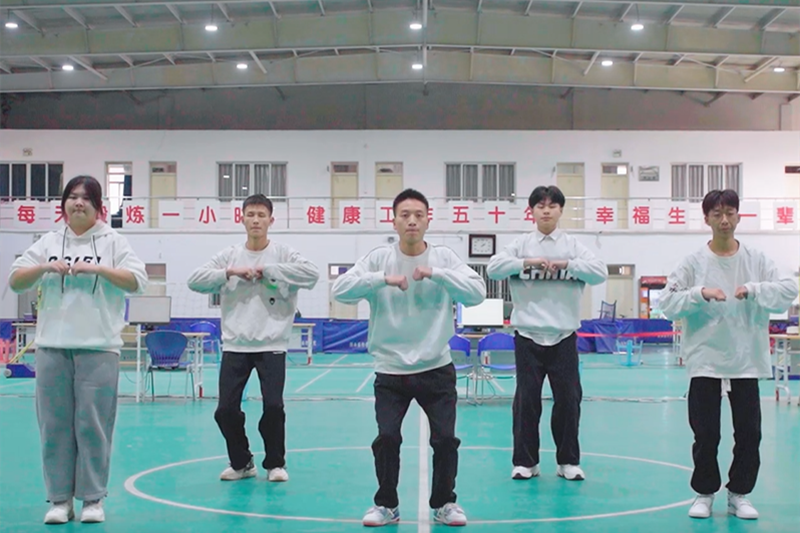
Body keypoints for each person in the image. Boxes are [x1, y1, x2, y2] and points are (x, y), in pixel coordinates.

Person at [331, 188, 486, 527]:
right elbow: (339, 290)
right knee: (387, 438)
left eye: (418, 215)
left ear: (428, 220)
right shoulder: (379, 259)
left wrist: (437, 274)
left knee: (445, 440)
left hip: (436, 367)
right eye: (405, 215)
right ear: (394, 221)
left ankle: (444, 503)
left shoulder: (444, 257)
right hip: (391, 370)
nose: (412, 221)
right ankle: (386, 505)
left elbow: (478, 293)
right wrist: (381, 280)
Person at [8, 175, 148, 525]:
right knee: (53, 427)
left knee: (93, 426)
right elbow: (16, 279)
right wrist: (45, 267)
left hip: (99, 348)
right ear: (64, 205)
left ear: (99, 206)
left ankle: (92, 499)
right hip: (52, 348)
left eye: (86, 198)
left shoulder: (114, 241)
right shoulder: (49, 241)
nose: (78, 203)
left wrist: (98, 269)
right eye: (72, 197)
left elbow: (138, 281)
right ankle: (60, 500)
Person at [660, 189, 797, 521]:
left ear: (738, 216)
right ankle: (704, 493)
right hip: (704, 360)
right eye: (717, 214)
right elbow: (667, 303)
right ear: (706, 219)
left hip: (745, 361)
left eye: (730, 213)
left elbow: (788, 290)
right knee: (706, 433)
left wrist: (754, 289)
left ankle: (739, 494)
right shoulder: (692, 263)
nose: (724, 220)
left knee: (749, 434)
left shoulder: (757, 260)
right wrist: (700, 293)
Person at [187, 194, 319, 484]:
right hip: (235, 345)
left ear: (271, 220)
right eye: (250, 214)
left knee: (273, 407)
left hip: (272, 344)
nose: (256, 220)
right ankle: (242, 462)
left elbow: (312, 275)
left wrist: (270, 270)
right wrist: (229, 273)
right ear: (242, 218)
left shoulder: (283, 253)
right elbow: (194, 280)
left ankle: (275, 463)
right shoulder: (230, 255)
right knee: (225, 410)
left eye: (261, 215)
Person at [486, 185, 607, 482]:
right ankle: (525, 462)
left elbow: (599, 272)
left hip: (564, 336)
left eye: (552, 205)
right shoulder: (521, 244)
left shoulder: (573, 245)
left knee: (568, 400)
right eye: (540, 206)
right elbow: (493, 269)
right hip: (527, 335)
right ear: (532, 211)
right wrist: (527, 262)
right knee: (526, 402)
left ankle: (568, 461)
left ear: (561, 210)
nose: (546, 211)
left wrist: (567, 265)